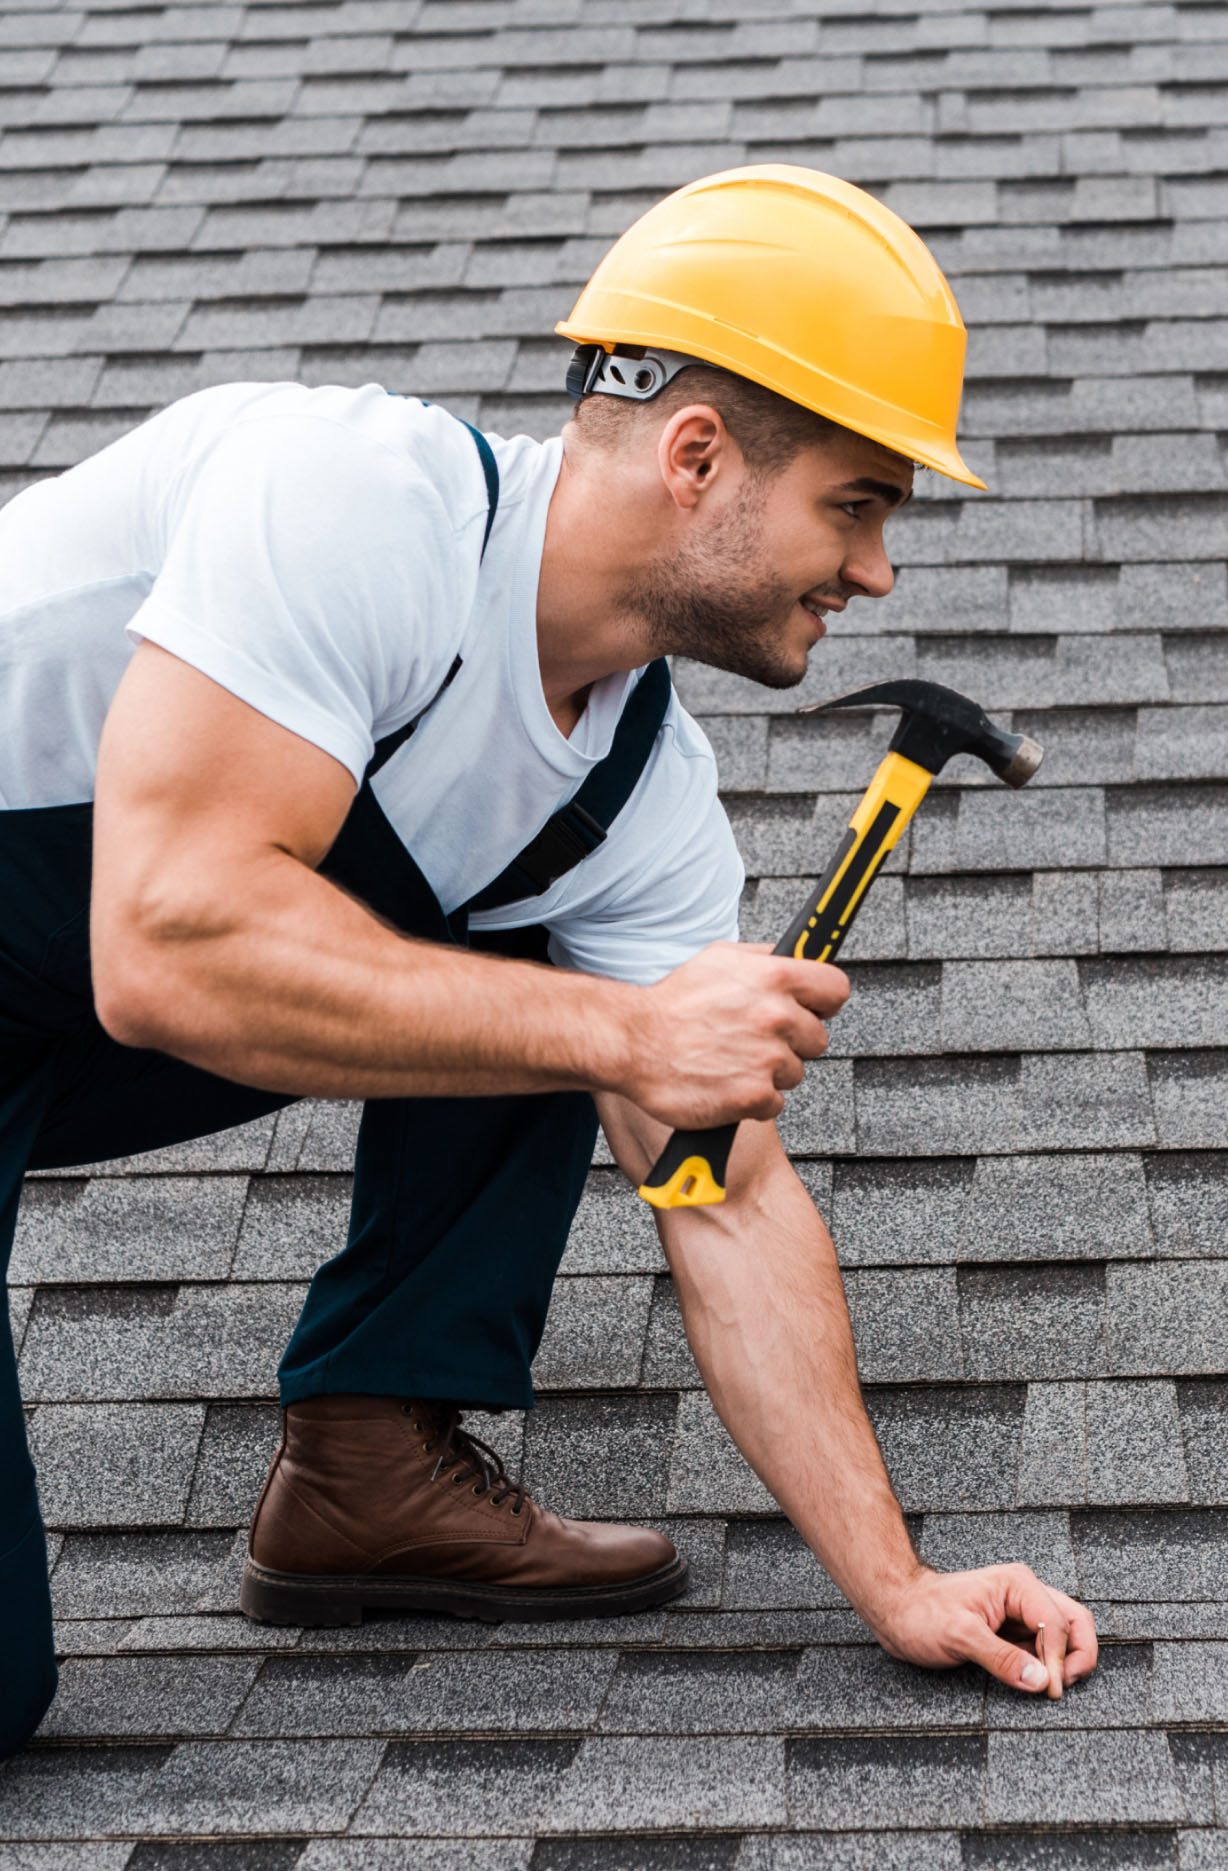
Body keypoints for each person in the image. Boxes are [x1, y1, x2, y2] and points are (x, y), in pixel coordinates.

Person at [0, 164, 1097, 1757]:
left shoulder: (637, 793)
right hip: (119, 955)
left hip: (55, 1016)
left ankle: (369, 1463)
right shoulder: (351, 502)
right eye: (855, 505)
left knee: (600, 999)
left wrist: (899, 1581)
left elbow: (725, 1189)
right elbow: (169, 943)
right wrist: (624, 1034)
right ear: (699, 456)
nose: (876, 573)